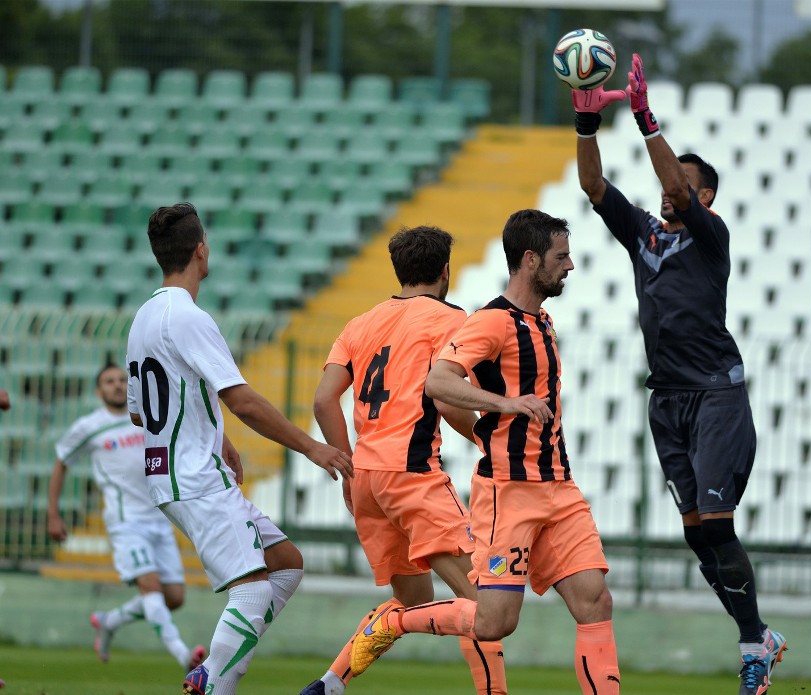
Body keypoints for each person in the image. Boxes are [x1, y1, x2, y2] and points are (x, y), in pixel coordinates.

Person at [570, 53, 787, 695]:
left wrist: (643, 118)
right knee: (696, 534)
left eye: (682, 182)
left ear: (705, 195)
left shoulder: (710, 232)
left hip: (716, 395)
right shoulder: (645, 235)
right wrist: (587, 129)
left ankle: (751, 644)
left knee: (715, 526)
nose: (667, 187)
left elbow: (680, 190)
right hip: (666, 401)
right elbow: (594, 188)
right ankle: (760, 633)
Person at [346, 209, 621, 695]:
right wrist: (505, 405)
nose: (571, 265)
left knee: (595, 601)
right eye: (562, 256)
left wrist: (494, 424)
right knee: (494, 622)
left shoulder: (542, 322)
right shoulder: (491, 322)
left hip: (559, 486)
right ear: (531, 260)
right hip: (508, 493)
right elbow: (437, 382)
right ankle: (394, 623)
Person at [125, 202, 353, 695]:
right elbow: (243, 401)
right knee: (250, 593)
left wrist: (216, 435)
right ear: (201, 251)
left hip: (170, 472)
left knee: (287, 563)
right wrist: (313, 448)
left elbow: (141, 412)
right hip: (194, 477)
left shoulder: (143, 318)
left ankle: (213, 677)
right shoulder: (188, 317)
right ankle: (212, 685)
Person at [300, 226, 507, 695]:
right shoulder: (450, 320)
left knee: (412, 598)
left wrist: (346, 468)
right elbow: (451, 401)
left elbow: (323, 401)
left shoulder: (360, 323)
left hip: (367, 480)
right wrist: (483, 438)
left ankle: (331, 682)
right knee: (484, 600)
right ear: (445, 271)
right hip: (411, 474)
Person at [47, 363, 206, 673]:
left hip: (159, 516)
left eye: (122, 380)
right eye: (109, 381)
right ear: (99, 390)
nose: (117, 385)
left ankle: (109, 621)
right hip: (125, 521)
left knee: (173, 597)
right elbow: (61, 461)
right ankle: (184, 655)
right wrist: (53, 514)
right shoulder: (89, 426)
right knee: (150, 588)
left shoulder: (147, 418)